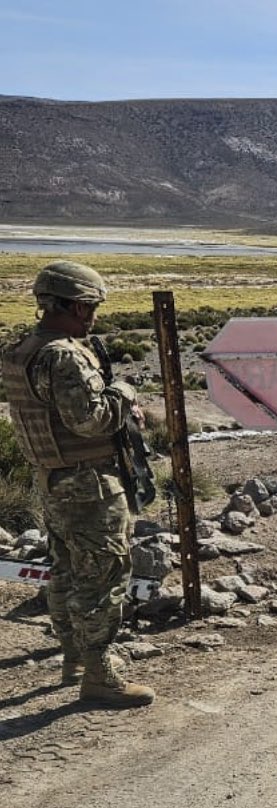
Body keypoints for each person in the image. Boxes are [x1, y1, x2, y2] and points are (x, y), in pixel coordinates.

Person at [0, 261, 154, 707]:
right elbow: (89, 420)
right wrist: (123, 394)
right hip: (90, 485)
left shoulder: (22, 349)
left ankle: (74, 658)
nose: (93, 316)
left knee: (66, 568)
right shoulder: (64, 355)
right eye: (88, 307)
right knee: (103, 575)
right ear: (67, 305)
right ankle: (100, 675)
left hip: (53, 478)